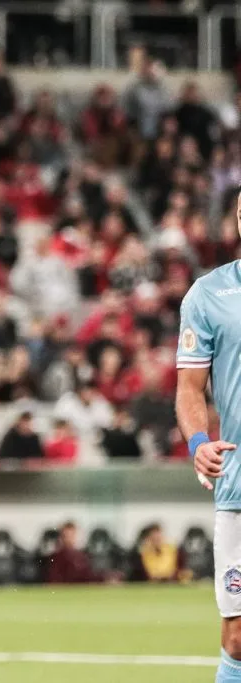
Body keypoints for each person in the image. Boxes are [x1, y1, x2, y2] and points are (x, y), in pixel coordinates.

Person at [176, 189, 241, 683]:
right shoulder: (208, 295)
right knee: (238, 637)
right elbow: (189, 390)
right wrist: (199, 444)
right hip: (239, 486)